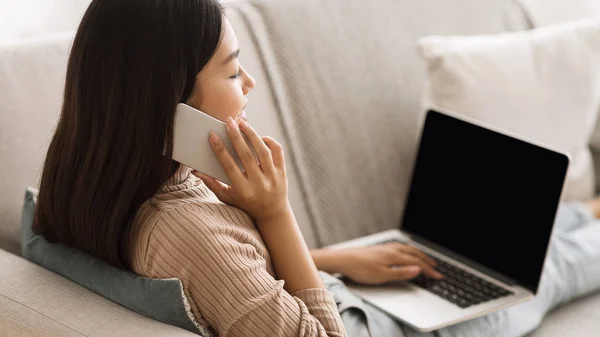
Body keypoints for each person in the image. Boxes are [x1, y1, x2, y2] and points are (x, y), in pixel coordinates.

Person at [32, 0, 600, 336]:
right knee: (537, 273)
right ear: (167, 99)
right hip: (366, 324)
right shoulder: (187, 226)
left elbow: (224, 280)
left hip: (336, 287)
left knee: (491, 246)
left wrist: (338, 259)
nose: (249, 85)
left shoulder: (91, 185)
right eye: (232, 73)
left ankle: (583, 212)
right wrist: (276, 214)